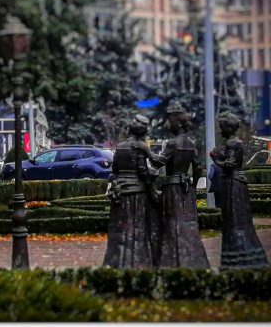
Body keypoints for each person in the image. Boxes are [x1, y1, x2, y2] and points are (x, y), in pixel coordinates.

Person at [148, 102, 210, 269]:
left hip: (172, 188)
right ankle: (193, 258)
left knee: (172, 223)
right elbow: (198, 168)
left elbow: (158, 162)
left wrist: (145, 152)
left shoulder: (172, 143)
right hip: (186, 189)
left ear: (178, 122)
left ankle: (172, 260)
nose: (169, 123)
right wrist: (194, 187)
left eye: (171, 120)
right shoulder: (190, 143)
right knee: (188, 223)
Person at [212, 111, 269, 269]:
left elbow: (229, 165)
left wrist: (215, 159)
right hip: (237, 182)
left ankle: (237, 257)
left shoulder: (232, 144)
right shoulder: (236, 142)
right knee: (240, 219)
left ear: (228, 128)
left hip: (232, 183)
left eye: (221, 126)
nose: (219, 130)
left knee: (234, 219)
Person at [103, 114, 160, 268]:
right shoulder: (140, 147)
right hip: (137, 192)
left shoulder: (120, 147)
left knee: (120, 228)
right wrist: (152, 190)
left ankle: (118, 261)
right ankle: (136, 261)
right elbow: (143, 172)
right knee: (137, 227)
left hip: (120, 192)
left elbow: (114, 169)